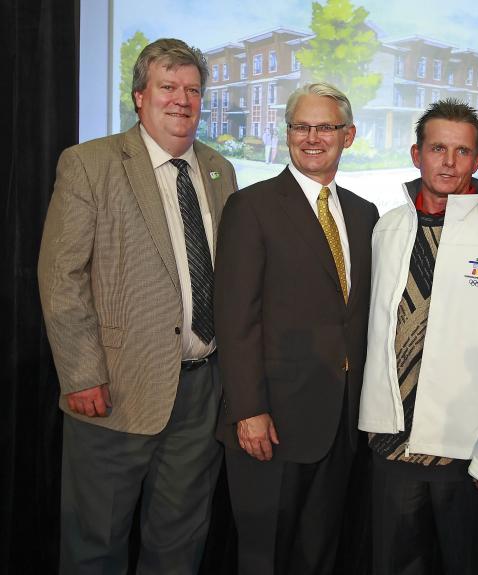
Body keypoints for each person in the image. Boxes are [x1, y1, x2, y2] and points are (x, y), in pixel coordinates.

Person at [38, 38, 237, 574]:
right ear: (139, 96)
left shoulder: (219, 170)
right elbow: (61, 277)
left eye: (193, 90)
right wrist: (81, 374)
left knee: (179, 545)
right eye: (168, 87)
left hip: (200, 393)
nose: (182, 100)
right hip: (113, 390)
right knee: (94, 546)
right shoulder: (89, 163)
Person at [359, 99, 478, 575]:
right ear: (415, 153)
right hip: (392, 449)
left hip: (467, 459)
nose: (448, 161)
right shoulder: (387, 229)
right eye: (437, 148)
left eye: (461, 151)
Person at [214, 82, 379, 574]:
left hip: (341, 423)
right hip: (272, 426)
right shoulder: (252, 207)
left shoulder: (363, 213)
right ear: (286, 133)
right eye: (300, 126)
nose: (312, 137)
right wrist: (249, 409)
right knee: (266, 558)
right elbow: (235, 316)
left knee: (320, 556)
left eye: (325, 127)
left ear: (347, 136)